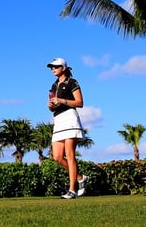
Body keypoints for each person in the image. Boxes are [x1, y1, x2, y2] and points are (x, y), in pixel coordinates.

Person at [46, 57, 89, 199]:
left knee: (70, 154)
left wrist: (61, 100)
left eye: (56, 67)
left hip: (70, 118)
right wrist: (51, 106)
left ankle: (72, 190)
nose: (53, 69)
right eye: (52, 67)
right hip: (58, 119)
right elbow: (53, 107)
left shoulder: (72, 82)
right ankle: (81, 178)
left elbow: (80, 102)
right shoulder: (53, 85)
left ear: (63, 68)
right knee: (57, 157)